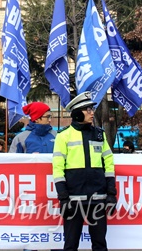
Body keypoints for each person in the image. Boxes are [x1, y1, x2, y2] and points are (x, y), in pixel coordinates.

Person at [52, 91, 117, 251]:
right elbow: (58, 168)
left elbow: (109, 165)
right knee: (71, 245)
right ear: (76, 114)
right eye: (87, 109)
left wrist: (111, 194)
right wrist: (63, 198)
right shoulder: (63, 136)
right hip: (73, 200)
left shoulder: (100, 135)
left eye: (92, 109)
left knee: (100, 244)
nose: (91, 112)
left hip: (98, 198)